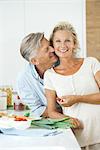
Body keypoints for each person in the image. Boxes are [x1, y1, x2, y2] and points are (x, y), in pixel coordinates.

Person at [44, 22, 100, 150]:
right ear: (53, 46)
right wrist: (66, 119)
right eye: (58, 41)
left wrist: (77, 98)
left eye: (67, 41)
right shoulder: (50, 75)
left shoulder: (91, 63)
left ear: (74, 44)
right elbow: (51, 111)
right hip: (77, 138)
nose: (63, 45)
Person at [16, 32, 81, 129]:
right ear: (35, 61)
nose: (53, 49)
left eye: (50, 45)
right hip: (58, 123)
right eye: (47, 49)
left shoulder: (65, 61)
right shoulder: (24, 80)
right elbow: (37, 109)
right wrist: (61, 116)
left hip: (80, 114)